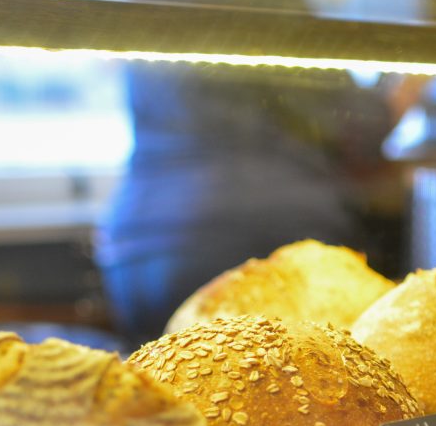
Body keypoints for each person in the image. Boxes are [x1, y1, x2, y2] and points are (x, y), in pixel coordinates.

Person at [95, 59, 406, 348]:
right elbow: (362, 126)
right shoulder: (275, 14)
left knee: (173, 384)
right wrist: (417, 80)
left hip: (139, 240)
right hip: (266, 229)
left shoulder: (150, 12)